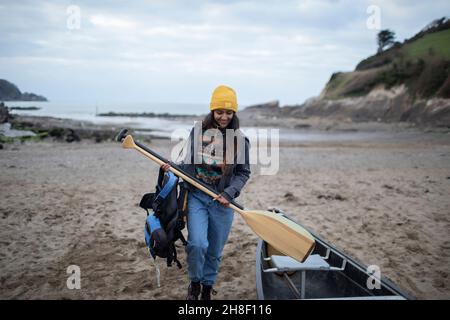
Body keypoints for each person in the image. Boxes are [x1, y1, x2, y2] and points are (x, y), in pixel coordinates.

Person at [161, 85, 251, 300]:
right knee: (197, 244)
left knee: (214, 252)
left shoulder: (240, 140)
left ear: (234, 114)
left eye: (229, 112)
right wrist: (171, 167)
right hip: (197, 197)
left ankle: (207, 288)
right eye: (219, 111)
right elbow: (188, 163)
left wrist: (229, 194)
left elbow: (243, 173)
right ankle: (194, 283)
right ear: (212, 111)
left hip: (222, 203)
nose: (224, 117)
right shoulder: (198, 131)